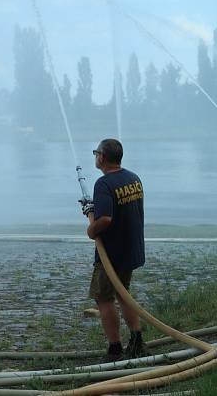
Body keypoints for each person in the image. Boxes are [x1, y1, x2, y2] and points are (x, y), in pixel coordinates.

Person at [81, 138, 147, 362]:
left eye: (96, 153)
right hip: (131, 248)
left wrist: (92, 229)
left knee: (104, 298)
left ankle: (115, 348)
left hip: (111, 253)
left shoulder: (104, 184)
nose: (95, 156)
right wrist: (93, 209)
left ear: (102, 157)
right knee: (123, 293)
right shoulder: (133, 178)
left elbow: (107, 218)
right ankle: (137, 340)